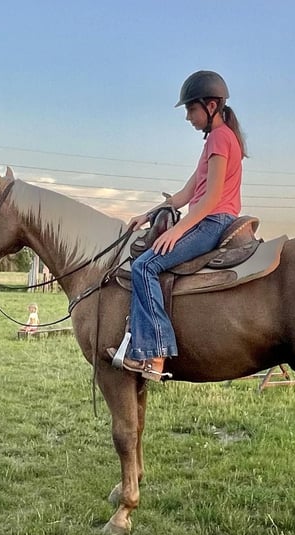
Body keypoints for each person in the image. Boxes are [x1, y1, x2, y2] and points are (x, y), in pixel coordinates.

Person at [107, 70, 247, 381]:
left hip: (212, 221)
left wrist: (177, 230)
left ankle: (155, 352)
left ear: (211, 106)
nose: (188, 117)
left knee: (145, 266)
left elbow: (211, 199)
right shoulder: (217, 141)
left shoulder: (219, 138)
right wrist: (147, 215)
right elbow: (185, 194)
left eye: (191, 109)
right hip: (209, 218)